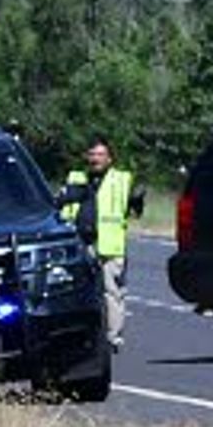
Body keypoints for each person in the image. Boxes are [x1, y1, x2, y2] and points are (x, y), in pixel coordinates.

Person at [63, 139, 142, 353]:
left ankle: (112, 336)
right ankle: (80, 334)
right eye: (92, 154)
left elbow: (135, 209)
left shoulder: (122, 180)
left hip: (110, 245)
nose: (96, 159)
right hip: (81, 242)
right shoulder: (76, 178)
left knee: (112, 292)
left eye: (100, 154)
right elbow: (63, 207)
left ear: (109, 158)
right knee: (77, 291)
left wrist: (137, 200)